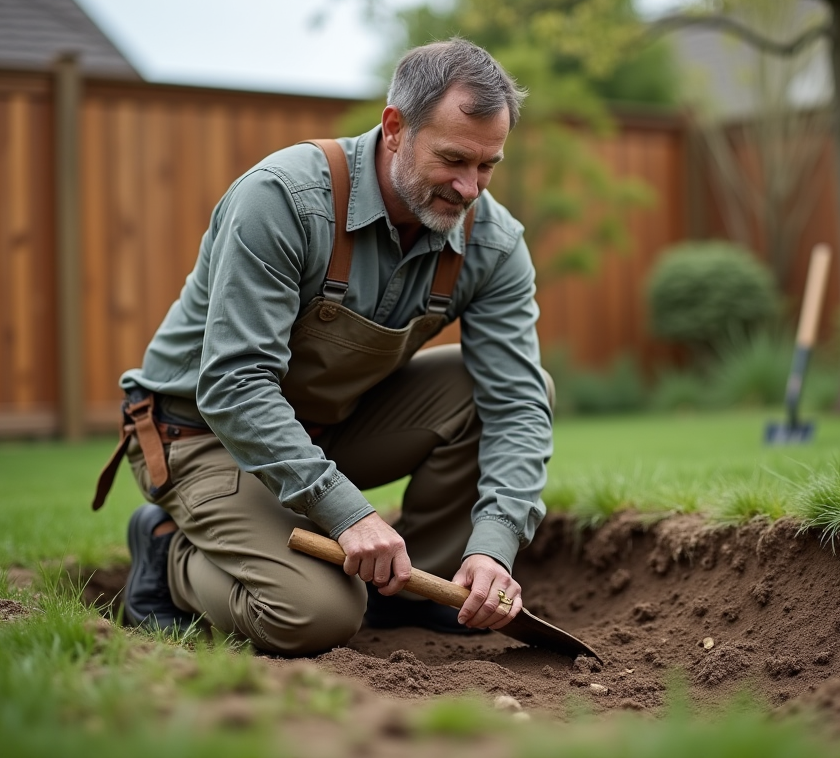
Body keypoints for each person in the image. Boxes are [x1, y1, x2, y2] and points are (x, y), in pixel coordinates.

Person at [94, 38, 553, 657]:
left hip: (328, 428)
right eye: (452, 161)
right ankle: (169, 550)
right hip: (204, 435)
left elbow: (517, 406)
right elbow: (234, 384)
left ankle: (415, 591)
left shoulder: (493, 244)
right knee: (317, 614)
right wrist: (348, 515)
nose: (471, 188)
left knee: (513, 390)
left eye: (487, 166)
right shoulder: (283, 200)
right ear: (395, 128)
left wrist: (493, 546)